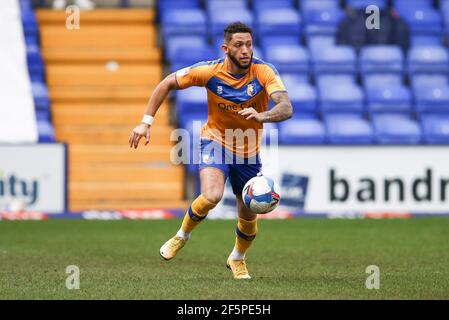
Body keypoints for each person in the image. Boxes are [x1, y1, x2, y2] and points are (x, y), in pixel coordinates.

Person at [129, 22, 292, 280]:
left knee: (248, 213)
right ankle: (181, 236)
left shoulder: (264, 72)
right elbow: (166, 83)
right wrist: (145, 122)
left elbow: (286, 107)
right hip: (214, 140)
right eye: (239, 45)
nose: (245, 50)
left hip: (248, 150)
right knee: (212, 195)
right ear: (225, 48)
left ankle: (237, 258)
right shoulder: (209, 71)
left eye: (249, 44)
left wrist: (262, 115)